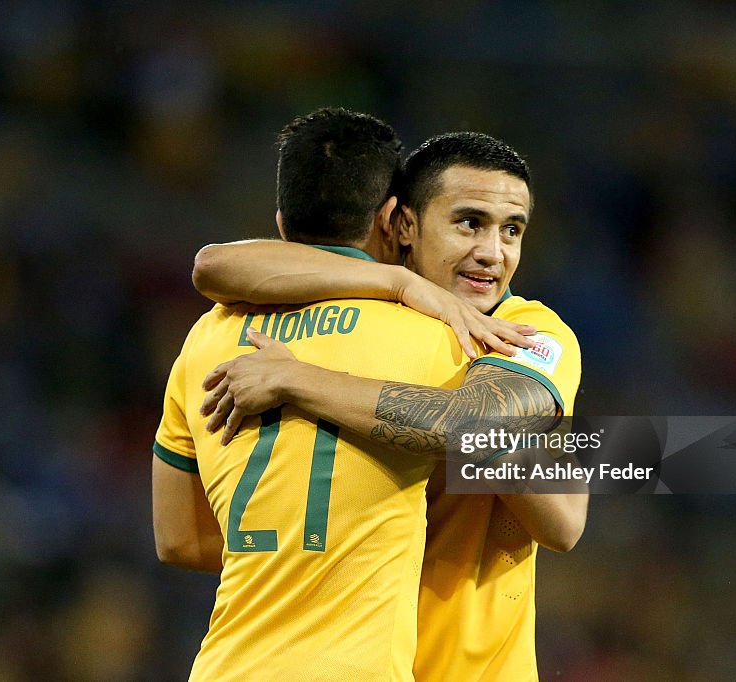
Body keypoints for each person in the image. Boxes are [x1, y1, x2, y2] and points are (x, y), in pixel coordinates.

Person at [194, 131, 588, 681]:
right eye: (469, 222)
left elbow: (563, 516)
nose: (492, 252)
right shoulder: (383, 315)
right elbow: (214, 265)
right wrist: (395, 282)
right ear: (402, 224)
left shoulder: (526, 333)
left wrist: (299, 380)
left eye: (512, 230)